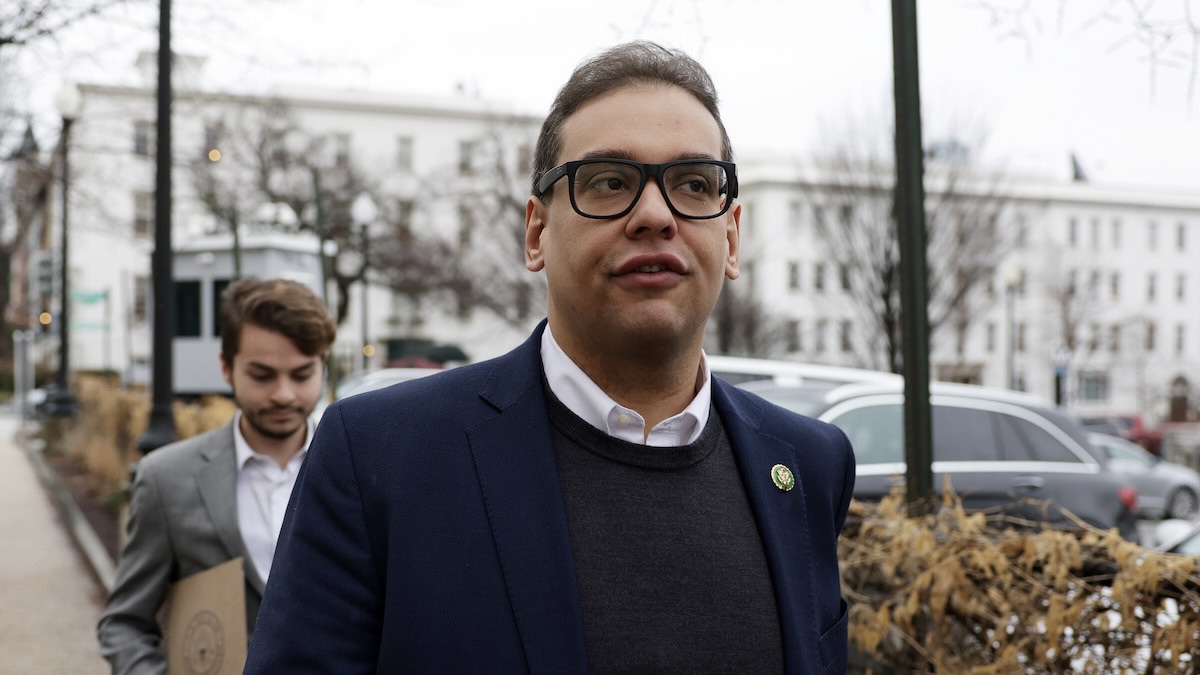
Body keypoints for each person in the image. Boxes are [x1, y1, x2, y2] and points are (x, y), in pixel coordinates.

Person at [245, 40, 855, 674]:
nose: (654, 214)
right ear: (536, 232)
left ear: (731, 238)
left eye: (694, 184)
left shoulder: (808, 466)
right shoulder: (379, 454)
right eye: (609, 182)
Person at [97, 278, 337, 674]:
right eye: (262, 375)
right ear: (226, 367)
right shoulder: (167, 478)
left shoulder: (359, 472)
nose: (283, 394)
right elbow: (124, 622)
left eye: (301, 375)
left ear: (323, 366)